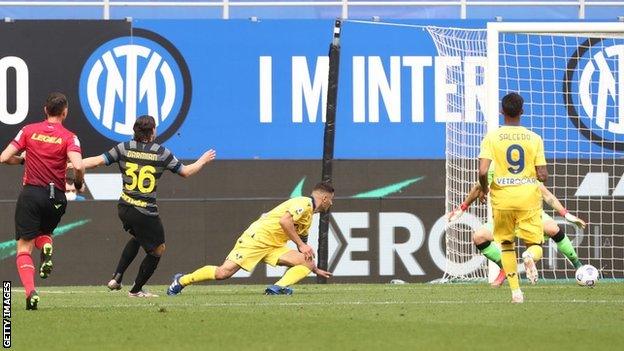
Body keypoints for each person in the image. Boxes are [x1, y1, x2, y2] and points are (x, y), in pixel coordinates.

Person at [81, 115, 216, 298]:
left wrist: (71, 164)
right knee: (158, 249)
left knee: (138, 237)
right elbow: (186, 172)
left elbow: (96, 161)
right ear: (152, 131)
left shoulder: (124, 148)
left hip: (125, 207)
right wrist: (202, 160)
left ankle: (117, 277)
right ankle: (136, 290)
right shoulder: (161, 152)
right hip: (145, 211)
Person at [167, 182, 335, 296]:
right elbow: (284, 221)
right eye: (331, 200)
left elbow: (303, 246)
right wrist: (301, 245)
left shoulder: (309, 215)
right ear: (325, 198)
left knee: (306, 261)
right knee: (223, 273)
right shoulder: (304, 203)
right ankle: (181, 280)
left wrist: (313, 267)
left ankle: (277, 288)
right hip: (258, 238)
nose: (331, 204)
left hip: (275, 246)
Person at [0, 92, 84, 310]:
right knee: (44, 234)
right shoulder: (70, 137)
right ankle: (46, 246)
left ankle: (31, 293)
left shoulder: (28, 130)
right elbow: (79, 165)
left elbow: (3, 157)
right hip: (56, 197)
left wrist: (22, 162)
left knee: (23, 248)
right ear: (65, 113)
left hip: (31, 194)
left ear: (45, 110)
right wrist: (77, 184)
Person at [477, 92, 548, 303]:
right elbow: (542, 174)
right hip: (527, 198)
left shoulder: (492, 137)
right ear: (522, 111)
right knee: (534, 244)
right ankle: (529, 257)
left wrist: (484, 188)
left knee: (507, 245)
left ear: (501, 112)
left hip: (502, 198)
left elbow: (482, 171)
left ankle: (516, 292)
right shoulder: (534, 138)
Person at [447, 181, 586, 287]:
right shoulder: (497, 168)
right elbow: (479, 186)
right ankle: (507, 267)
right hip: (512, 218)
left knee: (552, 228)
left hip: (523, 216)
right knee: (479, 237)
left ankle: (577, 265)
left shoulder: (523, 169)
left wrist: (565, 214)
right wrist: (463, 207)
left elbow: (545, 194)